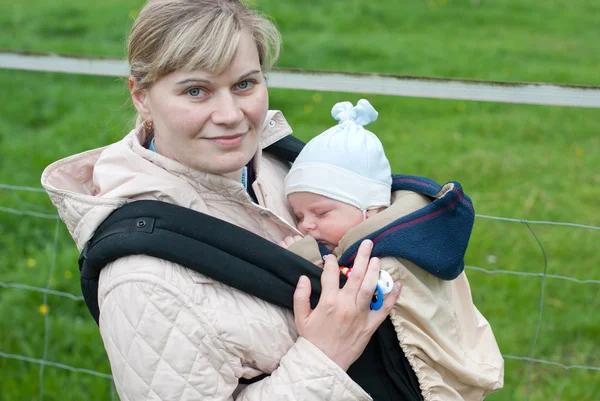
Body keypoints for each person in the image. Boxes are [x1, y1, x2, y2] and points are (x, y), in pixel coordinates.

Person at [41, 1, 409, 400]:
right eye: (196, 91)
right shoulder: (143, 281)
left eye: (244, 84)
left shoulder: (280, 167)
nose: (231, 114)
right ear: (141, 96)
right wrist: (325, 355)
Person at [279, 99, 505, 401]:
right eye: (299, 216)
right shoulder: (414, 230)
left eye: (320, 214)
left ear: (370, 211)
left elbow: (348, 295)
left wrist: (306, 258)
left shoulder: (386, 258)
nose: (306, 226)